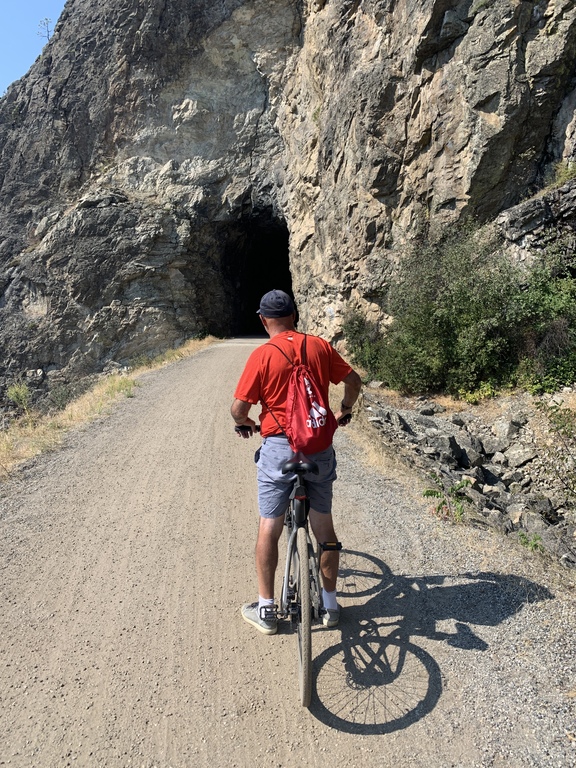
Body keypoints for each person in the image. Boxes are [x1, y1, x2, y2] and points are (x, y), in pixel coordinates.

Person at [231, 289, 362, 635]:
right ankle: (331, 606)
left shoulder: (262, 355)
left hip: (278, 447)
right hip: (318, 447)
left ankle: (267, 609)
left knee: (269, 526)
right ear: (295, 314)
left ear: (263, 320)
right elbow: (353, 381)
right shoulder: (319, 346)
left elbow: (239, 410)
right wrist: (344, 410)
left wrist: (244, 424)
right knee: (324, 528)